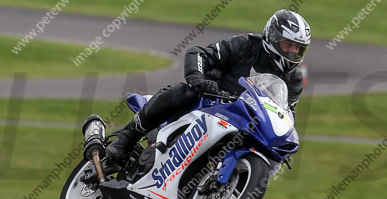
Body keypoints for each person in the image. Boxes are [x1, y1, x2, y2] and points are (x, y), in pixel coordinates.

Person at [106, 9, 311, 165]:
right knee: (184, 92)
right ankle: (125, 138)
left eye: (298, 48)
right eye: (288, 45)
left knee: (269, 161)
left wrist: (282, 143)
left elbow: (286, 114)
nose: (293, 52)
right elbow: (199, 53)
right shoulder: (246, 45)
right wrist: (198, 79)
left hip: (246, 124)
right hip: (212, 102)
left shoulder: (293, 79)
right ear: (273, 37)